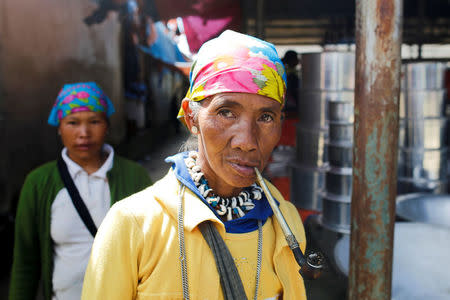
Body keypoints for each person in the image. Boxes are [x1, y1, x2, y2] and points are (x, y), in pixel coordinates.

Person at [82, 31, 307, 299]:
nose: (247, 141)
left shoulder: (286, 222)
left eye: (266, 117)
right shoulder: (133, 225)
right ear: (191, 117)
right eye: (226, 112)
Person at [9, 82, 152, 300]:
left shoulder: (135, 177)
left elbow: (153, 252)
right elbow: (25, 263)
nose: (84, 133)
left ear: (106, 125)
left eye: (94, 121)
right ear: (59, 127)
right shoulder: (38, 183)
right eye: (73, 123)